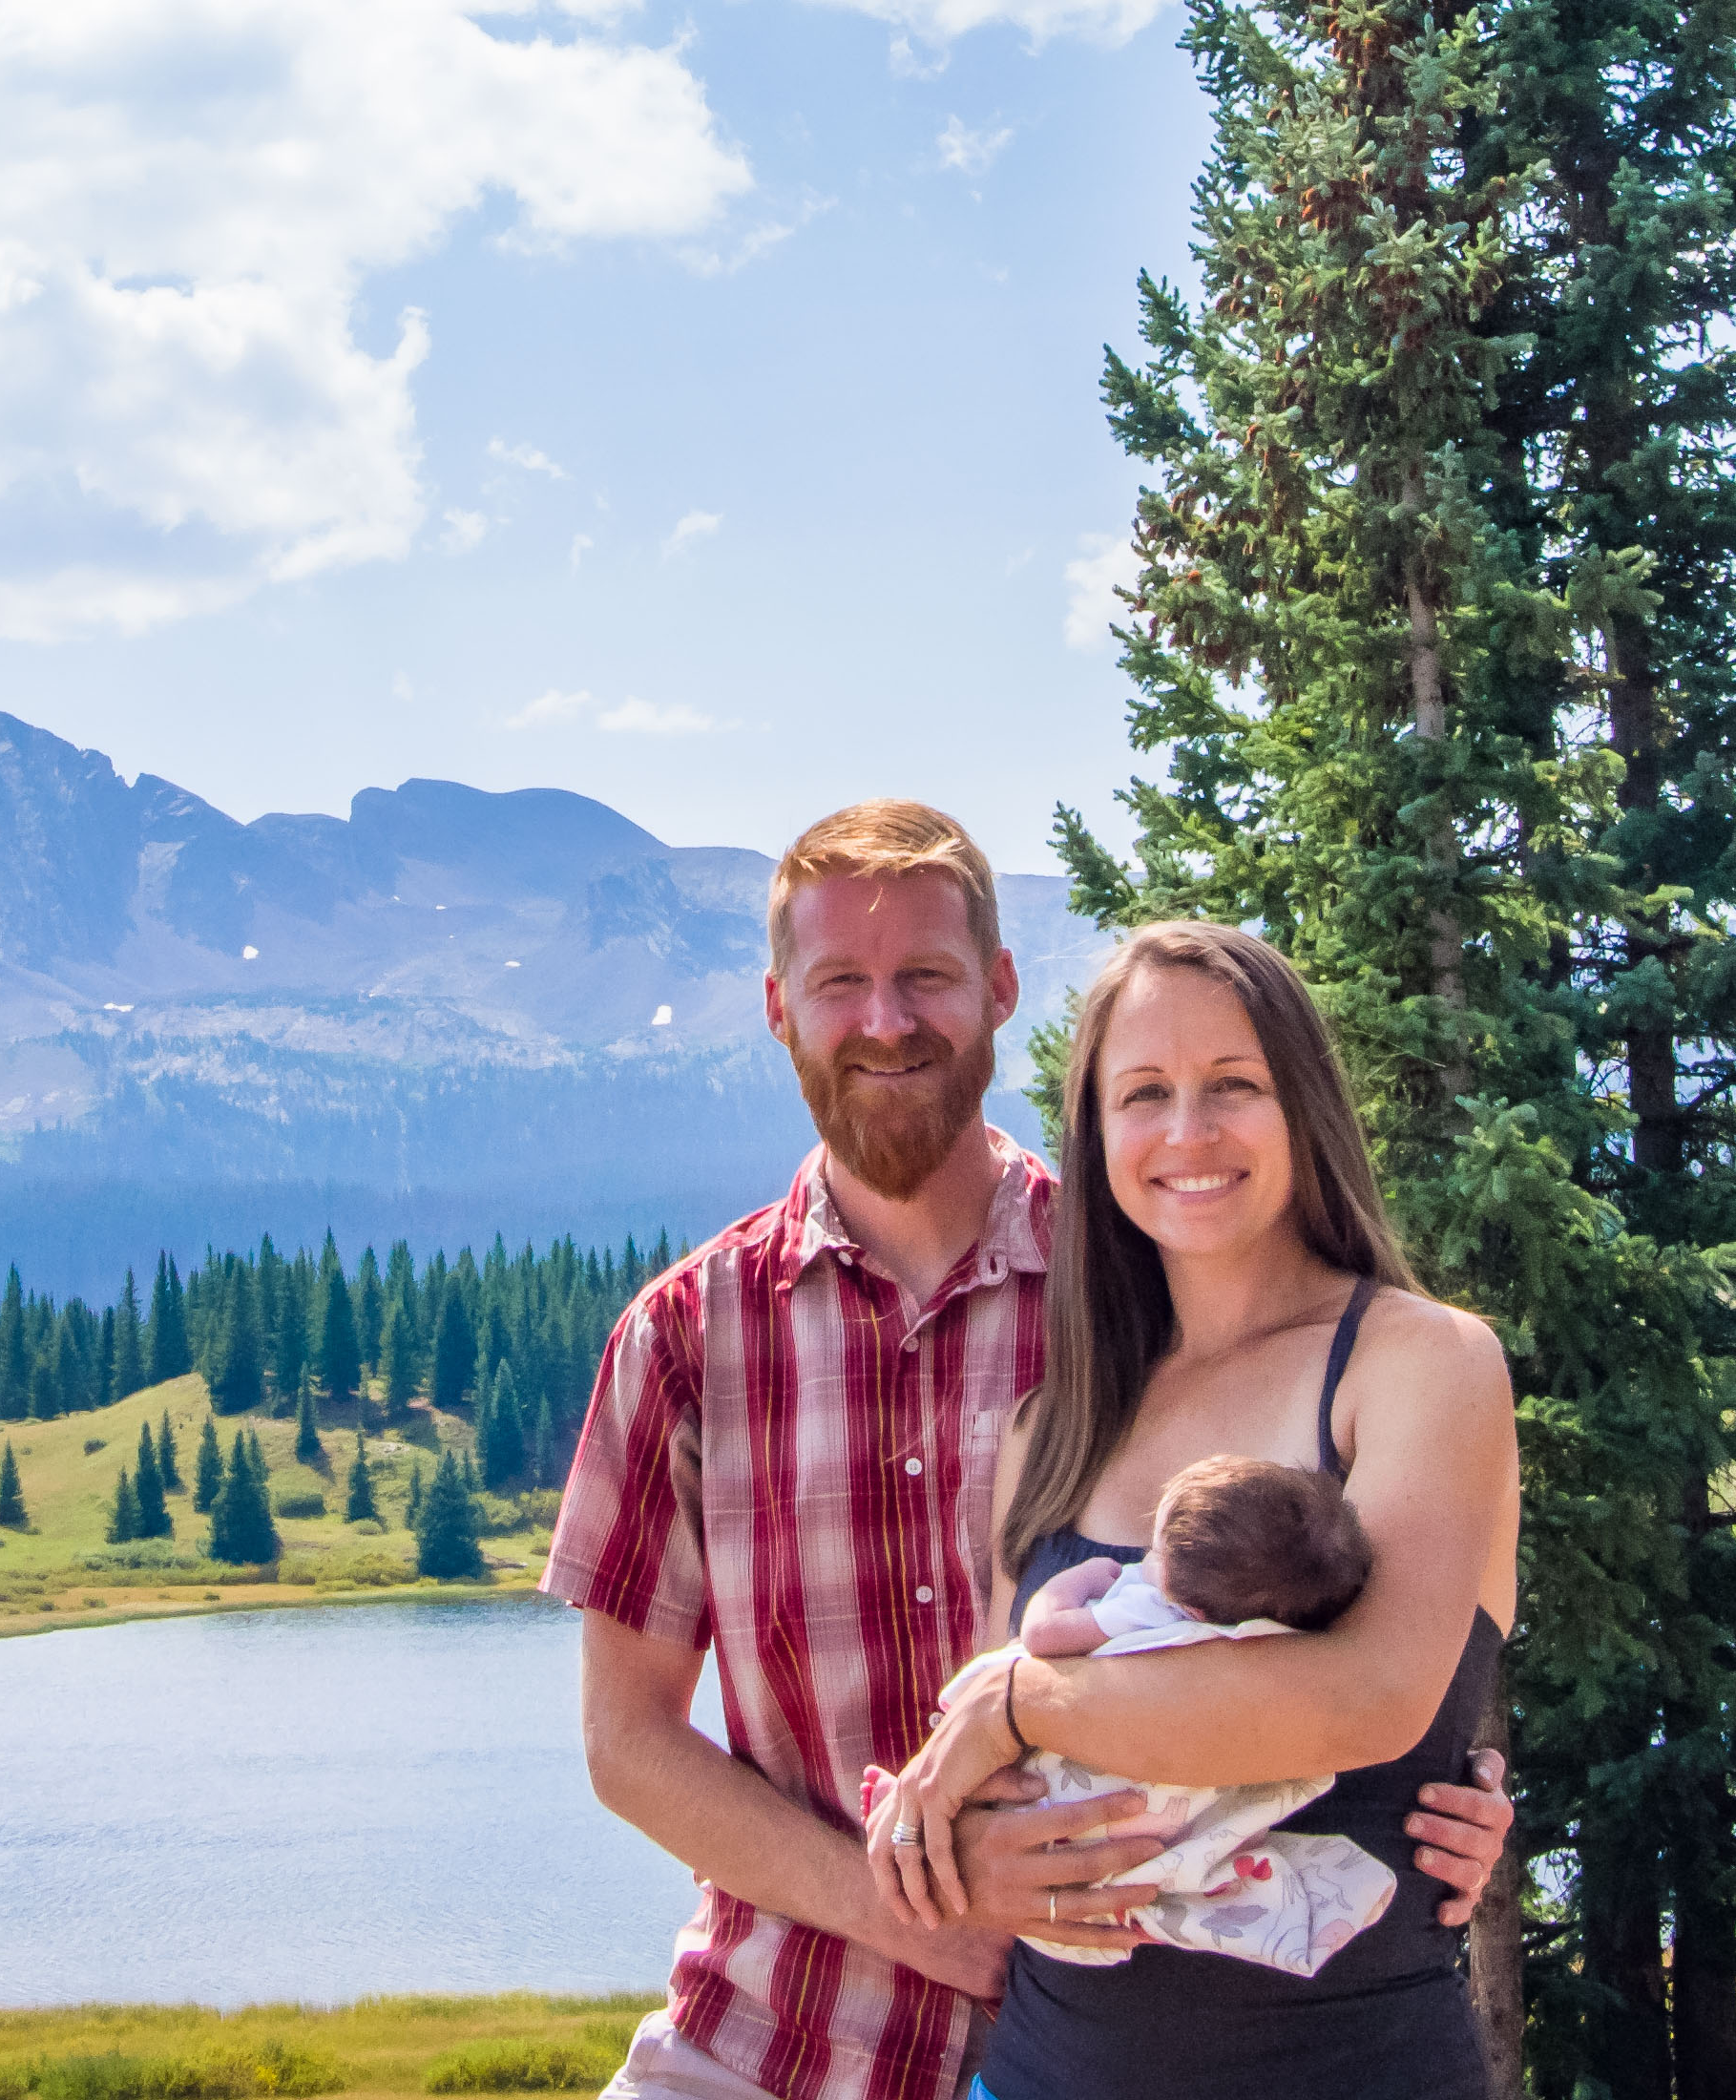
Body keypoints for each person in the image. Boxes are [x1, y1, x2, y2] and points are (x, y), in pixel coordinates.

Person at [547, 807, 1513, 2100]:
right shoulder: (687, 1336)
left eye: (927, 978)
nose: (887, 1022)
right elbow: (626, 1744)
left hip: (1067, 2038)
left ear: (1000, 991)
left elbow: (1375, 1622)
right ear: (781, 1008)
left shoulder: (1134, 1277)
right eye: (842, 984)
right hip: (773, 2036)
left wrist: (1434, 1779)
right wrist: (914, 1903)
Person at [860, 917, 1520, 2100]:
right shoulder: (1049, 1430)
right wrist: (962, 1826)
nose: (1187, 1132)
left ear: (1303, 1105)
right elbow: (987, 1791)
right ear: (1099, 1131)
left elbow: (1369, 1698)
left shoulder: (1421, 1364)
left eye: (1233, 1085)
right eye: (1144, 1094)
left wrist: (1022, 1700)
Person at [985, 1454, 1398, 1978]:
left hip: (1077, 1785)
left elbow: (1042, 1638)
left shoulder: (1150, 1610)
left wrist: (1078, 1580)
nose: (1146, 1559)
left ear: (1193, 1610)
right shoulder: (1278, 1643)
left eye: (1156, 1550)